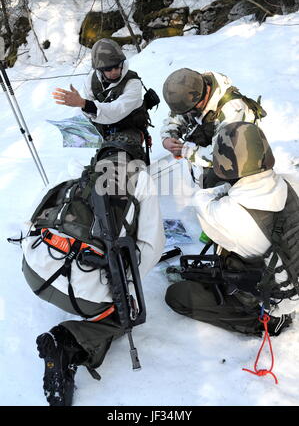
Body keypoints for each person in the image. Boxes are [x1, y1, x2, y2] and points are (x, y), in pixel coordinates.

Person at [21, 144, 165, 406]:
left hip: (33, 272)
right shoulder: (141, 180)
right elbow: (152, 248)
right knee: (126, 316)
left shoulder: (78, 172)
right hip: (86, 297)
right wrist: (125, 287)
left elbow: (34, 218)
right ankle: (69, 343)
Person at [165, 122, 299, 337]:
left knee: (178, 296)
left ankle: (264, 322)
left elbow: (201, 199)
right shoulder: (291, 181)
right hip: (290, 271)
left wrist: (222, 185)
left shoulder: (226, 214)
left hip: (276, 298)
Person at [161, 68, 267, 187]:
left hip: (239, 170)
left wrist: (185, 151)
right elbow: (175, 118)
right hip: (209, 165)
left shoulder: (232, 111)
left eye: (190, 111)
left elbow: (222, 155)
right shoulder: (193, 92)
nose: (188, 114)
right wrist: (168, 137)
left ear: (201, 98)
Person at [52, 38, 152, 163]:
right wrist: (82, 105)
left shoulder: (132, 82)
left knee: (117, 160)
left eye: (117, 66)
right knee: (99, 167)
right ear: (100, 69)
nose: (114, 72)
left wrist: (84, 103)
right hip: (106, 134)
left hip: (131, 130)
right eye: (109, 69)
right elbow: (88, 113)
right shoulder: (91, 82)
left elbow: (117, 110)